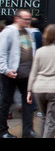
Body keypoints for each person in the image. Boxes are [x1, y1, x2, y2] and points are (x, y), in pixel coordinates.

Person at [0, 9, 39, 138]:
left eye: (29, 19)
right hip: (11, 73)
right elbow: (2, 53)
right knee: (6, 102)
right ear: (17, 18)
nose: (28, 21)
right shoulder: (8, 32)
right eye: (25, 19)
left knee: (28, 102)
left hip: (26, 73)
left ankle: (28, 130)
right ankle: (2, 131)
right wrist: (5, 70)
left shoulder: (29, 32)